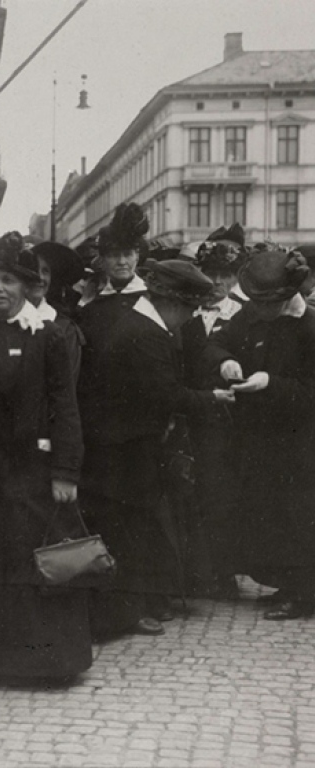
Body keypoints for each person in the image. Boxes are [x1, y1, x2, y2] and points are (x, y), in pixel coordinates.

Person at [0, 231, 92, 680]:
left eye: (8, 281)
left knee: (32, 562)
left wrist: (65, 471)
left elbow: (65, 407)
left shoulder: (47, 336)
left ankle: (45, 663)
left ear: (27, 287)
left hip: (32, 472)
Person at [80, 260, 232, 638]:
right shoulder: (146, 334)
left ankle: (130, 609)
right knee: (128, 532)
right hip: (124, 451)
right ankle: (124, 614)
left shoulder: (138, 324)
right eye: (189, 310)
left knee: (131, 529)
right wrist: (213, 397)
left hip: (121, 447)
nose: (187, 319)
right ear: (173, 304)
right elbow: (166, 394)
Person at [204, 247, 315, 620]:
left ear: (286, 298)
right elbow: (216, 343)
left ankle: (303, 594)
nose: (261, 311)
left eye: (269, 304)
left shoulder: (310, 326)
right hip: (258, 439)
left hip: (301, 441)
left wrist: (272, 383)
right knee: (271, 512)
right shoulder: (250, 316)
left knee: (299, 514)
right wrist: (226, 361)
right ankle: (288, 585)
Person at [179, 225, 248, 599]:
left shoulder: (244, 315)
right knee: (189, 494)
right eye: (211, 274)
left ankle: (224, 572)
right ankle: (193, 572)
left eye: (226, 275)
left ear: (236, 278)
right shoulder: (186, 312)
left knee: (223, 496)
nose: (218, 282)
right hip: (190, 413)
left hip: (228, 422)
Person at [77, 203, 149, 413]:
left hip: (143, 411)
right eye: (113, 255)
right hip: (100, 412)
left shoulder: (153, 300)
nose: (122, 262)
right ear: (102, 260)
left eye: (127, 254)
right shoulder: (90, 308)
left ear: (137, 255)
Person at [30, 242, 87, 384]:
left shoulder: (64, 329)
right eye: (34, 270)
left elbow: (65, 388)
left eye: (45, 271)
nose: (40, 277)